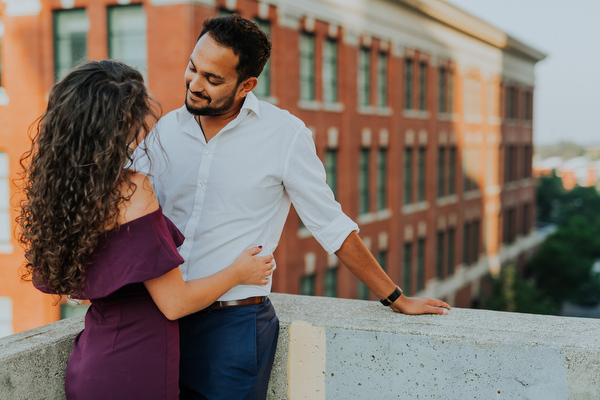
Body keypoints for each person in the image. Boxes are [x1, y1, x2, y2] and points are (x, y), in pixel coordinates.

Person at [135, 13, 451, 400]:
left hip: (232, 326)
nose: (194, 84)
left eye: (213, 79)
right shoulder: (165, 129)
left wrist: (395, 297)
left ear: (246, 84)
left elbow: (330, 225)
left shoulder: (284, 135)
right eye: (192, 68)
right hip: (159, 319)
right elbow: (124, 208)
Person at [18, 60, 275, 400]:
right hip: (135, 368)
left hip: (92, 361)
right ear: (119, 125)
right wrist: (239, 271)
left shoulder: (63, 192)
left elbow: (69, 288)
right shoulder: (132, 190)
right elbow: (174, 303)